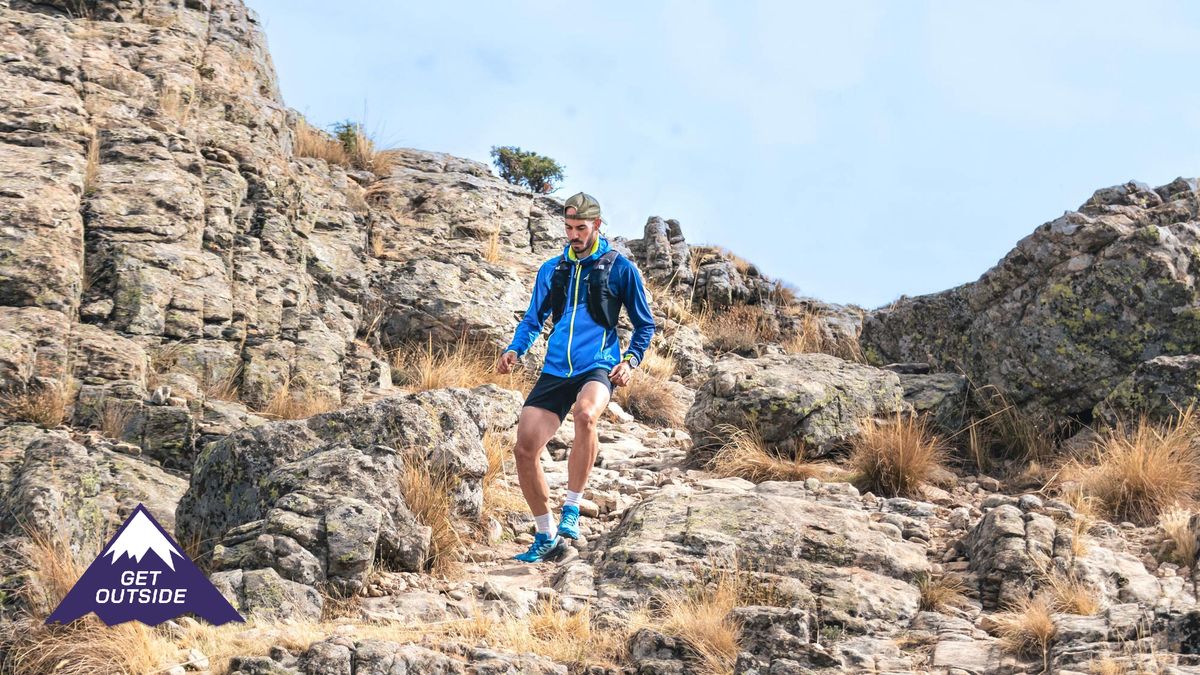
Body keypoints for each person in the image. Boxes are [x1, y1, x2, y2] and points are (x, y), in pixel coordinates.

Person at [496, 192, 656, 563]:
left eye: (580, 228)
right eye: (568, 228)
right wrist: (516, 349)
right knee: (524, 450)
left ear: (597, 225)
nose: (573, 235)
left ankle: (572, 506)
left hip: (597, 363)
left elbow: (644, 324)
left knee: (586, 415)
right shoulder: (553, 269)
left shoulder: (620, 268)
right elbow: (533, 319)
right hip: (555, 368)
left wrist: (630, 361)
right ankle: (546, 534)